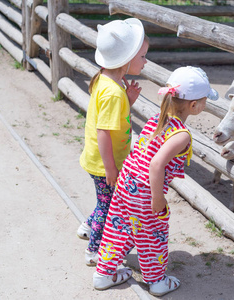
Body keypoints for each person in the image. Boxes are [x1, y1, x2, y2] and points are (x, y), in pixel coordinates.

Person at [92, 66, 219, 296]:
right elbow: (156, 164)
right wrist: (157, 197)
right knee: (152, 234)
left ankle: (103, 274)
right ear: (193, 106)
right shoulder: (181, 135)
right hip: (144, 191)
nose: (204, 105)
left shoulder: (156, 120)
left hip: (126, 182)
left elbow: (143, 154)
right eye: (203, 101)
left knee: (118, 227)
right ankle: (157, 281)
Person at [76, 18, 149, 267]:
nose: (145, 61)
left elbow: (111, 119)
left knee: (103, 201)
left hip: (97, 158)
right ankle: (94, 251)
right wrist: (111, 169)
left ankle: (88, 226)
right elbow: (104, 132)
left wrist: (128, 100)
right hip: (104, 163)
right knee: (107, 208)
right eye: (142, 56)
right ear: (126, 60)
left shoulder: (107, 81)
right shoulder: (113, 92)